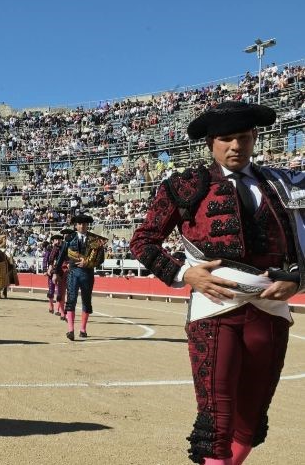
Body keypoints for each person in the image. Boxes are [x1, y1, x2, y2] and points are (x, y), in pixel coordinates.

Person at [129, 101, 304, 465]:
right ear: (211, 143)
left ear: (254, 137)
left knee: (251, 421)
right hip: (214, 311)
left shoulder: (284, 185)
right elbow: (143, 240)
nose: (236, 146)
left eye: (243, 137)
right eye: (226, 139)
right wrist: (184, 273)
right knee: (216, 422)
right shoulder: (184, 185)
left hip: (270, 310)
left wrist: (299, 280)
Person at [51, 213, 105, 340]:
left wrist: (88, 263)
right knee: (71, 300)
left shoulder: (95, 240)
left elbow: (101, 259)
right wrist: (56, 272)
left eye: (85, 224)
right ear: (76, 225)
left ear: (87, 225)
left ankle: (83, 329)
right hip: (73, 273)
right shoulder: (69, 239)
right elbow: (61, 257)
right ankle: (70, 330)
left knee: (86, 300)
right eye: (80, 224)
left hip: (87, 273)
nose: (82, 226)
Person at [43, 231, 70, 318]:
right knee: (51, 291)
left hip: (61, 272)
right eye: (56, 240)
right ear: (52, 241)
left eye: (59, 240)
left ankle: (59, 310)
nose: (58, 241)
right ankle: (51, 305)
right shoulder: (49, 249)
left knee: (60, 293)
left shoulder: (63, 248)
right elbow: (45, 260)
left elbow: (66, 259)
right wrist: (45, 269)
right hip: (51, 272)